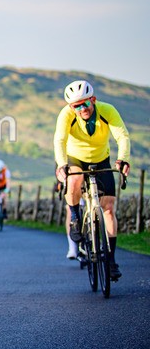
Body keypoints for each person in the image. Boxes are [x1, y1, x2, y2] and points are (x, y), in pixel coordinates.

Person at [54, 80, 130, 280]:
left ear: (93, 100)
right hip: (76, 157)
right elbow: (60, 140)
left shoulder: (107, 111)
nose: (82, 109)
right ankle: (75, 217)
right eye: (76, 106)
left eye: (86, 103)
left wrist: (123, 158)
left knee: (109, 208)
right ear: (71, 107)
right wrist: (62, 164)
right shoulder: (67, 115)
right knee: (75, 179)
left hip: (101, 159)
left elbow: (121, 136)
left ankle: (111, 260)